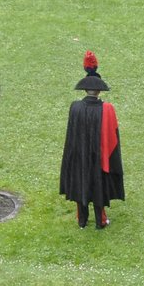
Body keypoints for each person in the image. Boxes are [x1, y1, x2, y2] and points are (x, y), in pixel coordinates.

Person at [59, 51, 123, 229]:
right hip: (99, 158)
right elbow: (113, 137)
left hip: (79, 156)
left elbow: (71, 135)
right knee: (99, 187)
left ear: (85, 90)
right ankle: (101, 221)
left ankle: (82, 221)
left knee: (81, 184)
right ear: (99, 91)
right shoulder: (107, 109)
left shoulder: (75, 107)